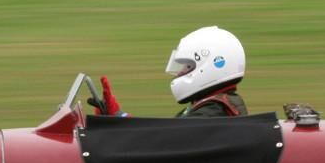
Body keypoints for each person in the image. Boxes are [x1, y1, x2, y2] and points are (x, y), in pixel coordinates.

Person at [97, 26, 248, 118]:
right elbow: (166, 132)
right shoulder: (212, 105)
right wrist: (120, 117)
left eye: (188, 66)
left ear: (213, 65)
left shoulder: (212, 113)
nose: (180, 73)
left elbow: (161, 142)